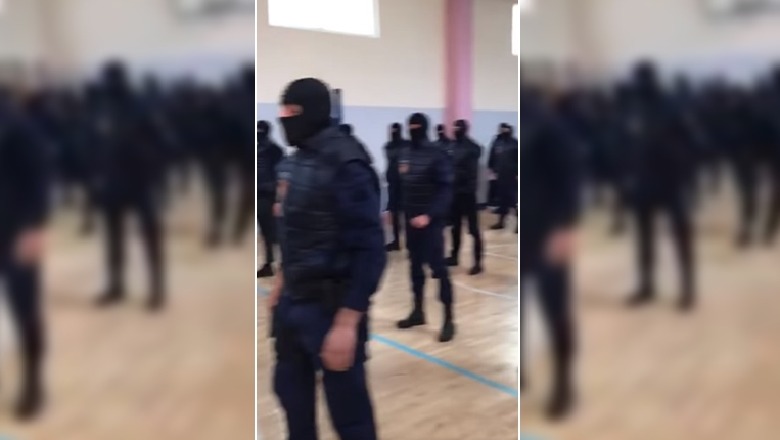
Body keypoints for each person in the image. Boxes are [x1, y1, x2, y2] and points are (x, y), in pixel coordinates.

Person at [267, 78, 386, 440]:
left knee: (350, 417)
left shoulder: (347, 164)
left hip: (331, 309)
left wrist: (348, 322)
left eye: (292, 112)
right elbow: (293, 231)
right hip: (292, 305)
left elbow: (370, 249)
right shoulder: (293, 162)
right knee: (291, 396)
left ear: (313, 112)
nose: (284, 119)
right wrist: (281, 282)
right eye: (282, 112)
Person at [519, 86, 581, 421]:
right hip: (526, 232)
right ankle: (522, 369)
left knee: (555, 310)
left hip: (549, 233)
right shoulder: (526, 121)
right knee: (523, 305)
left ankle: (564, 384)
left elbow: (569, 178)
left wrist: (565, 228)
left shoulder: (549, 125)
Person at [89, 61, 169, 311]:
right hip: (113, 183)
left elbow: (162, 141)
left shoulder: (141, 106)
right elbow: (95, 145)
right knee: (113, 237)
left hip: (140, 182)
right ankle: (116, 286)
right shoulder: (102, 108)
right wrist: (96, 178)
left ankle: (156, 289)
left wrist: (152, 170)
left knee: (150, 236)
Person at [622, 62, 698, 311]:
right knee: (644, 238)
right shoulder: (634, 109)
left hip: (671, 181)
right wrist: (628, 177)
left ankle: (687, 289)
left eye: (643, 80)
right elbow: (628, 145)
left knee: (680, 236)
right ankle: (646, 286)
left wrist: (684, 172)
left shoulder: (672, 106)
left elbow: (694, 140)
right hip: (644, 182)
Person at [0, 92, 51, 420]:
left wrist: (34, 228)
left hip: (15, 233)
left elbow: (41, 179)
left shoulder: (18, 126)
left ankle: (34, 383)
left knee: (25, 310)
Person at [393, 112, 456, 342]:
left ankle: (449, 319)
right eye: (410, 126)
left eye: (416, 126)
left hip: (431, 224)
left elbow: (445, 190)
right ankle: (418, 311)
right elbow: (401, 185)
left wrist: (429, 215)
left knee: (438, 270)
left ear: (424, 127)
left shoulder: (437, 154)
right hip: (411, 222)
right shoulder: (404, 153)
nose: (413, 130)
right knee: (415, 268)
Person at [446, 119, 483, 275]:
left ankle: (478, 263)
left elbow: (471, 173)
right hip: (454, 194)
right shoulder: (452, 146)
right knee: (455, 227)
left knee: (473, 229)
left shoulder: (472, 148)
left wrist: (468, 188)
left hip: (467, 194)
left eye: (458, 127)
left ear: (464, 129)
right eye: (454, 127)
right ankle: (454, 256)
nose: (455, 130)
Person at [257, 120, 283, 278]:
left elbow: (280, 175)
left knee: (271, 232)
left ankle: (274, 264)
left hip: (267, 195)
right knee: (266, 232)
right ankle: (269, 263)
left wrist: (278, 199)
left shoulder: (274, 150)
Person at [489, 123, 519, 232]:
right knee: (502, 200)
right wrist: (491, 169)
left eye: (506, 129)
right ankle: (501, 222)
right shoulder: (497, 142)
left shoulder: (515, 143)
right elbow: (492, 156)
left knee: (515, 201)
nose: (503, 130)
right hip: (500, 175)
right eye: (502, 129)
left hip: (512, 176)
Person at [384, 122, 406, 251]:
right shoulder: (389, 146)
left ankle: (410, 243)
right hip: (393, 184)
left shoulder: (405, 146)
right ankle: (396, 241)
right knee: (394, 214)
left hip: (404, 184)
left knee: (407, 214)